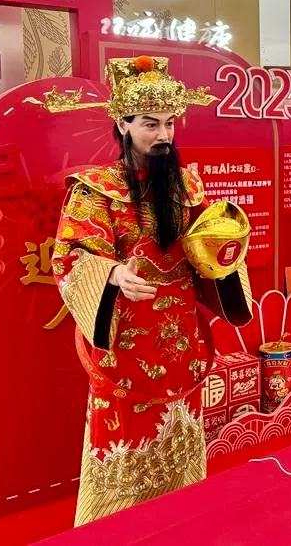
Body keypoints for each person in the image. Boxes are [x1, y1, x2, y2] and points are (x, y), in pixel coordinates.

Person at [49, 56, 250, 525]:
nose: (163, 136)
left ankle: (184, 518)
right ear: (122, 123)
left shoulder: (186, 184)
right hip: (126, 341)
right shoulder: (94, 190)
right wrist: (113, 274)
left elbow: (210, 245)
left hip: (181, 335)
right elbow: (71, 254)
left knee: (181, 429)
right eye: (149, 124)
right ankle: (116, 525)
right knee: (124, 440)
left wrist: (224, 248)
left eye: (169, 123)